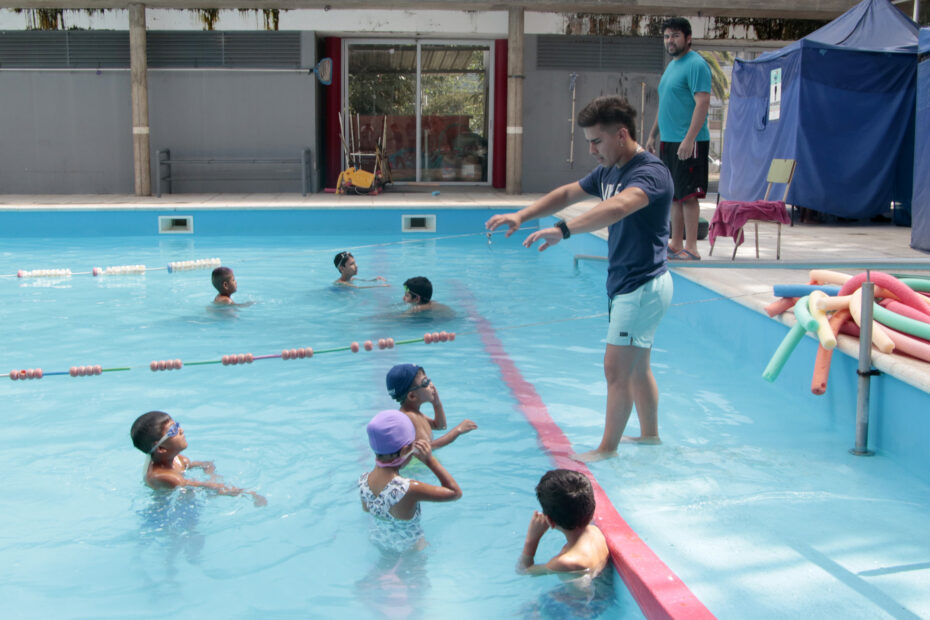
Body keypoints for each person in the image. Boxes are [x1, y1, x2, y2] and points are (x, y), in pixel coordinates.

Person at [485, 95, 674, 462]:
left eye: (596, 141)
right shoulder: (610, 170)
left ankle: (606, 450)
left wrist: (564, 230)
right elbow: (568, 193)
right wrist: (522, 215)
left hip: (641, 285)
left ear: (621, 135)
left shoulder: (649, 172)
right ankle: (650, 437)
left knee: (616, 370)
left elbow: (619, 207)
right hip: (635, 284)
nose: (591, 150)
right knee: (637, 368)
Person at [645, 16, 711, 261]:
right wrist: (652, 135)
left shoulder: (696, 65)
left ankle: (691, 247)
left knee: (688, 196)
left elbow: (702, 103)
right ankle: (675, 243)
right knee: (674, 195)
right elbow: (665, 105)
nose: (669, 40)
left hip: (689, 141)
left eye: (675, 35)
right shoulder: (672, 66)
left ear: (688, 38)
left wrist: (689, 139)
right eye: (666, 36)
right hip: (669, 141)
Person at [358, 409, 462, 552]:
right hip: (411, 550)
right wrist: (430, 460)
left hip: (381, 543)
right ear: (404, 451)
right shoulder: (408, 488)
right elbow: (455, 493)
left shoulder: (363, 481)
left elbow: (369, 513)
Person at [130, 410, 266, 507]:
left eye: (177, 425)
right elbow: (206, 487)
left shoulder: (178, 460)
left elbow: (206, 464)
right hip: (164, 509)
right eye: (173, 431)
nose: (181, 430)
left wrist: (213, 476)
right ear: (161, 448)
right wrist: (249, 493)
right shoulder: (162, 476)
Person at [518, 469, 609, 580]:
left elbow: (523, 570)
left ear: (550, 521)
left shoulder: (565, 562)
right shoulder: (595, 532)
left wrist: (531, 539)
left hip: (580, 591)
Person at [385, 363, 477, 449]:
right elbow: (426, 449)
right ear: (412, 396)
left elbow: (440, 426)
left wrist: (436, 403)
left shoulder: (414, 413)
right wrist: (458, 430)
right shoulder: (411, 417)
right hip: (417, 461)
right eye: (425, 382)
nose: (431, 384)